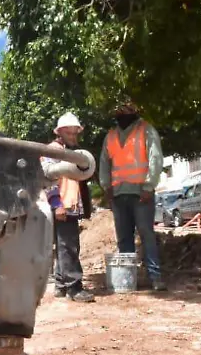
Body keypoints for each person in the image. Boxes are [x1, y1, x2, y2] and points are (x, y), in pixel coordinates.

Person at [99, 100, 165, 291]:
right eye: (119, 109)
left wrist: (149, 186)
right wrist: (106, 187)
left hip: (140, 193)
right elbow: (104, 163)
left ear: (134, 111)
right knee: (124, 238)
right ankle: (128, 279)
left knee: (146, 234)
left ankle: (155, 277)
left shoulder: (146, 130)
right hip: (118, 195)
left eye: (126, 109)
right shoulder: (110, 136)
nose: (122, 113)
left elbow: (155, 158)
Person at [42, 112, 95, 302]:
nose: (74, 136)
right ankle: (74, 288)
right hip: (62, 205)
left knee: (65, 246)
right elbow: (48, 181)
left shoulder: (71, 151)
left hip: (68, 205)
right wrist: (57, 205)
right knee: (69, 247)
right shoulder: (54, 151)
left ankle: (60, 285)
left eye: (75, 133)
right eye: (70, 133)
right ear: (61, 132)